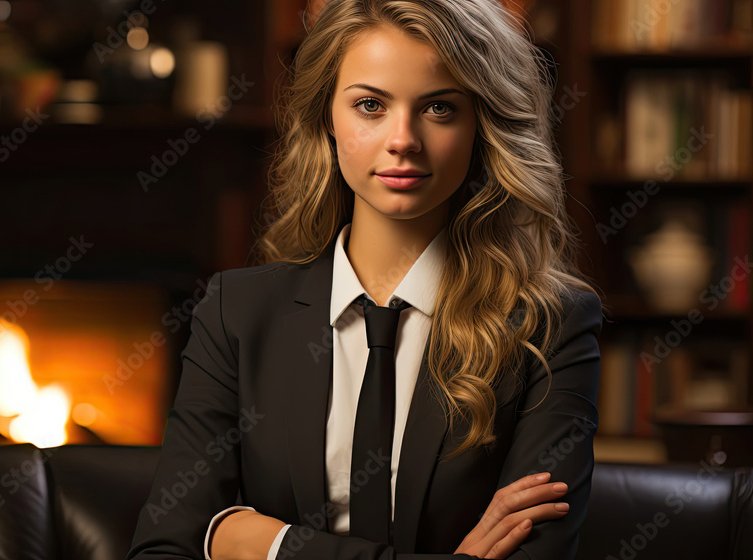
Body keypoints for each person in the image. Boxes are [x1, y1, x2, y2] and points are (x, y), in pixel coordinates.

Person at [127, 0, 605, 558]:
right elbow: (164, 550)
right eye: (371, 105)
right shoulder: (236, 312)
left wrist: (273, 546)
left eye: (440, 109)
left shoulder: (550, 325)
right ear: (327, 117)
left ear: (483, 125)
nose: (402, 139)